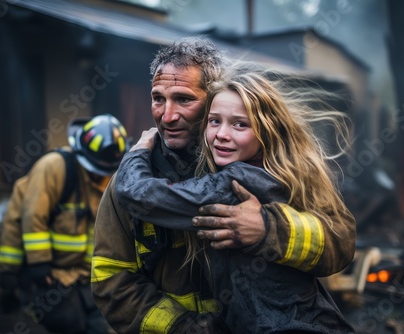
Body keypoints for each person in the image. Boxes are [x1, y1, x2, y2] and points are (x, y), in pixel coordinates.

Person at [91, 37, 356, 333]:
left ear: (212, 98)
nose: (167, 116)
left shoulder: (260, 168)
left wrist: (269, 228)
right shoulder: (130, 179)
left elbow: (340, 242)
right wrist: (183, 327)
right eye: (158, 98)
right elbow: (110, 280)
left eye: (184, 99)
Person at [0, 113, 130, 334]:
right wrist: (34, 266)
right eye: (97, 171)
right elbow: (32, 217)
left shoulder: (107, 177)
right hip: (50, 274)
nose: (101, 178)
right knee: (68, 324)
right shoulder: (54, 168)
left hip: (83, 274)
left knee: (101, 326)